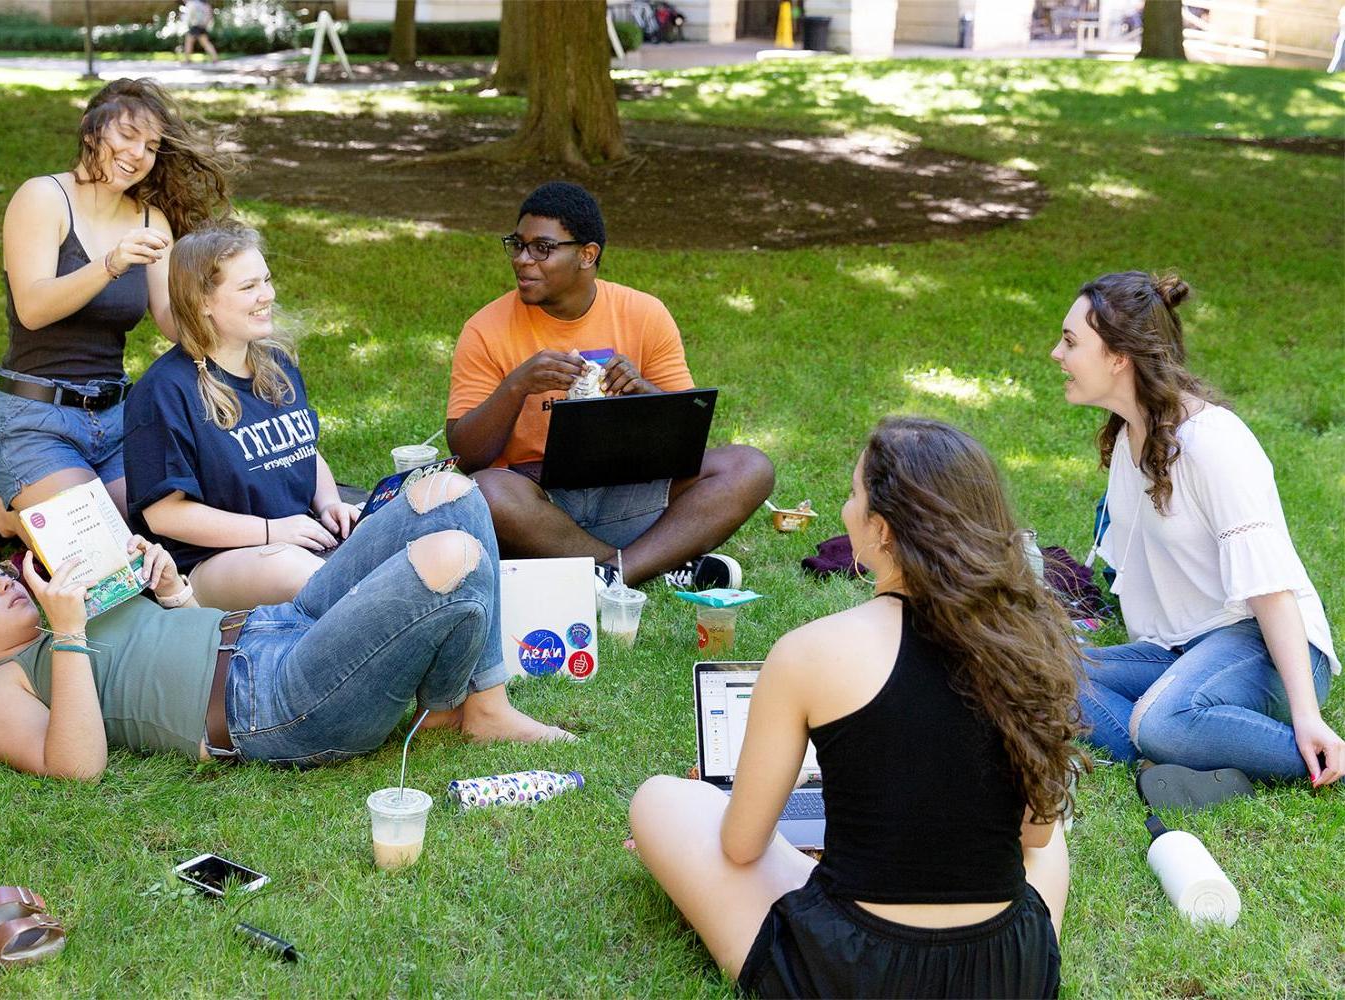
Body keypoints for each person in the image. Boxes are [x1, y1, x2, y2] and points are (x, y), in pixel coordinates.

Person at [629, 417, 1083, 998]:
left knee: (664, 800)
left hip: (849, 973)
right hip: (1006, 973)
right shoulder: (1034, 644)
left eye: (853, 495)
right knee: (1055, 841)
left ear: (882, 528)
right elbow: (1036, 839)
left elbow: (741, 847)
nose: (846, 510)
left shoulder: (810, 650)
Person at [0, 470, 569, 781]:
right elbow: (77, 766)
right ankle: (462, 709)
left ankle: (477, 706)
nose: (4, 581)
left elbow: (174, 637)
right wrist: (66, 633)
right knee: (452, 558)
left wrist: (172, 589)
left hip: (274, 625)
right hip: (270, 706)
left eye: (2, 573)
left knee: (448, 497)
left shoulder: (79, 602)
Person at [1052, 271, 1341, 785]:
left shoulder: (1213, 442)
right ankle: (1177, 755)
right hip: (1181, 649)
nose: (1057, 353)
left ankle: (1315, 759)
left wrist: (1306, 716)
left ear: (1119, 357)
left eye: (1072, 342)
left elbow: (1270, 589)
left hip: (1263, 643)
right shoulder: (1128, 438)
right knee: (1047, 674)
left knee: (1163, 719)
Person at [445, 182, 774, 591]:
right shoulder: (485, 329)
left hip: (631, 490)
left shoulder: (643, 313)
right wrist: (516, 387)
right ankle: (644, 564)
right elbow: (466, 454)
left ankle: (612, 574)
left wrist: (643, 390)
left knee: (749, 466)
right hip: (539, 506)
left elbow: (688, 433)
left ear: (587, 254)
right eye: (517, 244)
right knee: (483, 494)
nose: (523, 260)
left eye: (542, 248)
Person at [0, 78, 233, 555]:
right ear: (91, 131)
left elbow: (171, 321)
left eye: (151, 146)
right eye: (127, 135)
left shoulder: (150, 220)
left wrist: (224, 310)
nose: (139, 153)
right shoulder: (43, 197)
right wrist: (110, 263)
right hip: (34, 418)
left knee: (164, 535)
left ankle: (12, 510)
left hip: (118, 420)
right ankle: (2, 507)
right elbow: (33, 307)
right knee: (104, 556)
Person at [123, 225, 355, 611]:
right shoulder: (164, 391)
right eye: (249, 287)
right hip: (212, 563)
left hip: (299, 532)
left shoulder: (274, 364)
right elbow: (164, 514)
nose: (268, 295)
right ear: (202, 302)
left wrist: (330, 502)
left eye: (266, 280)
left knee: (432, 506)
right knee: (295, 569)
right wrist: (272, 532)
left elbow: (302, 450)